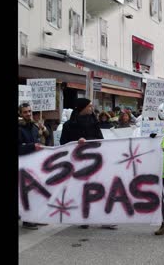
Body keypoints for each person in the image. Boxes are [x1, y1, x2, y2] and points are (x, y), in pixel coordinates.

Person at [60, 98, 116, 230]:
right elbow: (63, 143)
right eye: (89, 106)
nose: (92, 108)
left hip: (95, 161)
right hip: (77, 163)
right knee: (81, 191)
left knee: (100, 190)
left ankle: (105, 219)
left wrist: (87, 141)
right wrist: (76, 142)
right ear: (82, 108)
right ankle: (84, 217)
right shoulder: (68, 125)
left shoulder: (94, 122)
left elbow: (100, 140)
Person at [18, 103, 43, 230]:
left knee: (36, 192)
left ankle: (35, 217)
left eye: (29, 111)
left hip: (35, 164)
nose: (28, 113)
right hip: (23, 165)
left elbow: (38, 142)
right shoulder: (19, 128)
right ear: (20, 114)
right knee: (26, 193)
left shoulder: (34, 126)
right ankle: (27, 219)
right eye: (25, 112)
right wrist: (32, 146)